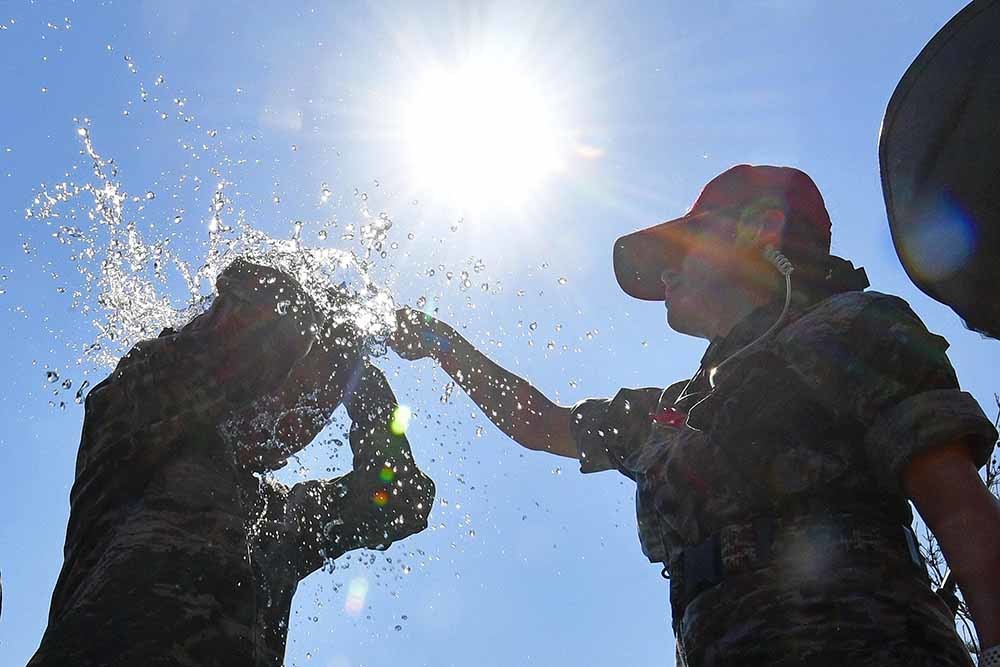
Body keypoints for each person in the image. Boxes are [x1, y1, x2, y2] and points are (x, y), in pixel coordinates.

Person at [390, 165, 1000, 665]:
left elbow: (957, 504)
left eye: (685, 244)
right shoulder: (670, 413)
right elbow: (543, 423)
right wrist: (444, 344)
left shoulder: (852, 328)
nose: (665, 270)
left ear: (760, 229)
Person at [29, 259, 435, 667]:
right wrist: (352, 333)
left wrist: (366, 391)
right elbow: (266, 310)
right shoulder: (140, 417)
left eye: (318, 412)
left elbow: (400, 501)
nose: (296, 424)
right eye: (296, 391)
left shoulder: (282, 519)